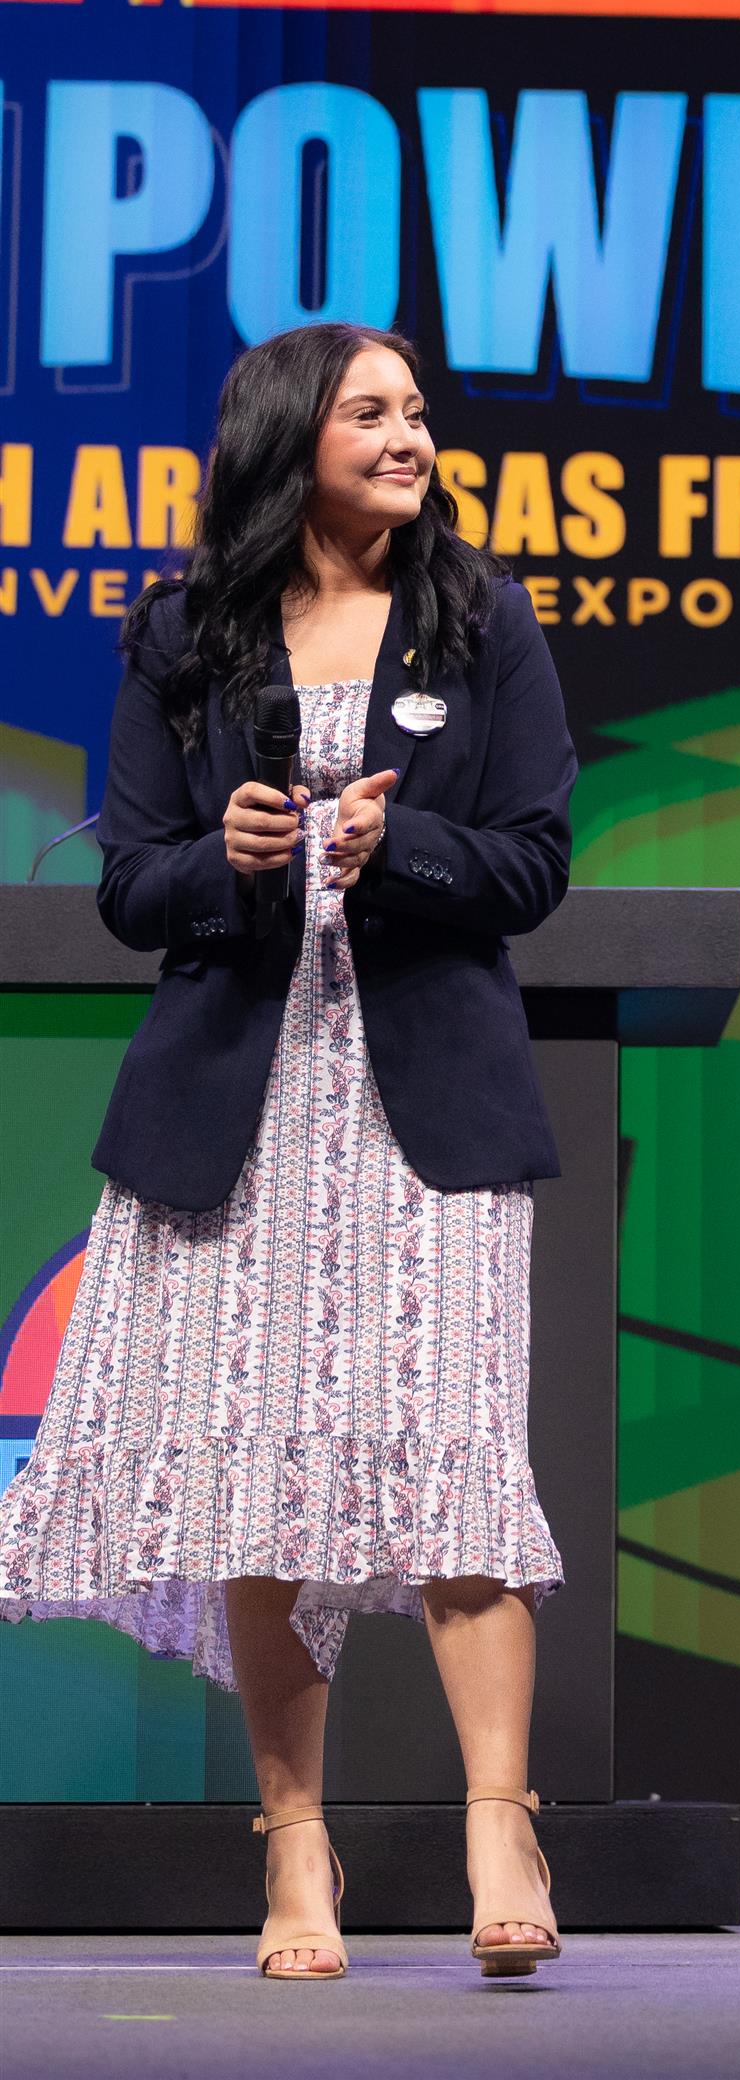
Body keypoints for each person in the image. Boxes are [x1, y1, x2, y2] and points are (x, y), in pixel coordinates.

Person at [0, 324, 577, 1980]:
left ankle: (500, 1820)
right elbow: (132, 880)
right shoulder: (183, 632)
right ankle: (293, 1852)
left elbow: (535, 861)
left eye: (418, 413)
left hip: (428, 1110)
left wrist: (409, 847)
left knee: (458, 1456)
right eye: (372, 413)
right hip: (238, 1106)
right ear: (286, 439)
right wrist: (228, 860)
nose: (412, 437)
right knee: (262, 1478)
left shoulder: (480, 617)